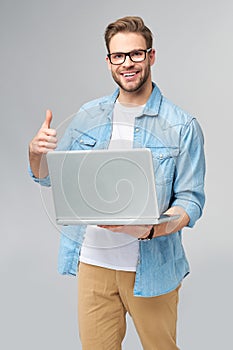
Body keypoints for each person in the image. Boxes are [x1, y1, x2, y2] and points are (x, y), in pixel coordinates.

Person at [29, 16, 205, 350]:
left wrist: (150, 228)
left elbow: (191, 202)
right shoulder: (88, 115)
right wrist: (34, 152)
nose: (127, 64)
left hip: (151, 270)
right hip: (93, 264)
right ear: (108, 61)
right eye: (118, 56)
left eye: (136, 54)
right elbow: (49, 177)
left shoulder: (182, 126)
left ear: (151, 57)